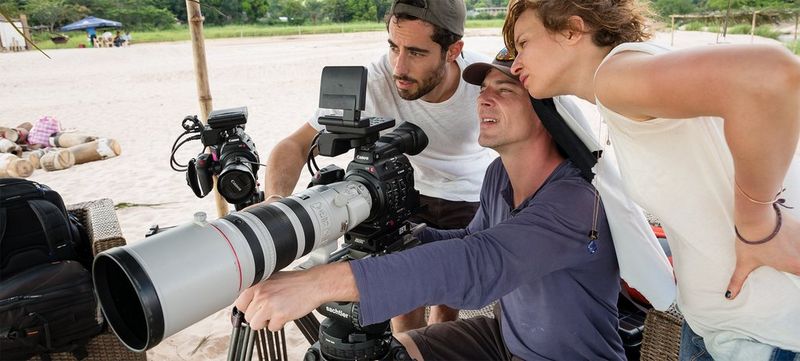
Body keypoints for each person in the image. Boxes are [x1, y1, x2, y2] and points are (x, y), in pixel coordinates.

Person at [235, 51, 626, 360]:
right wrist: (405, 238)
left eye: (505, 90)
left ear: (546, 115)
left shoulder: (575, 200)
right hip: (506, 336)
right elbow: (472, 237)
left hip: (564, 354)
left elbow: (480, 263)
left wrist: (318, 284)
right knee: (389, 353)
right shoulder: (499, 178)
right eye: (484, 88)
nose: (484, 98)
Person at [503, 1, 800, 360]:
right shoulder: (627, 84)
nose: (515, 62)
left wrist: (757, 225)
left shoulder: (615, 77)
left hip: (763, 335)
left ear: (571, 30)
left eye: (523, 43)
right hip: (726, 329)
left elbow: (769, 75)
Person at [257, 0, 496, 331]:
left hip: (468, 194)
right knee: (404, 301)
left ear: (453, 50)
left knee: (446, 305)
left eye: (416, 52)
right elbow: (293, 145)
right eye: (393, 47)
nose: (399, 66)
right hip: (404, 194)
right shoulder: (376, 80)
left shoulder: (485, 79)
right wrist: (275, 207)